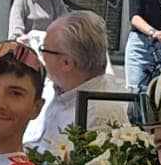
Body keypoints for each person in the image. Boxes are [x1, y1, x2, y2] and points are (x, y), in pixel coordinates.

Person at [27, 10, 128, 151]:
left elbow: (62, 162)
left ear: (66, 63)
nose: (41, 57)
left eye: (43, 50)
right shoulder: (61, 87)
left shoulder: (97, 114)